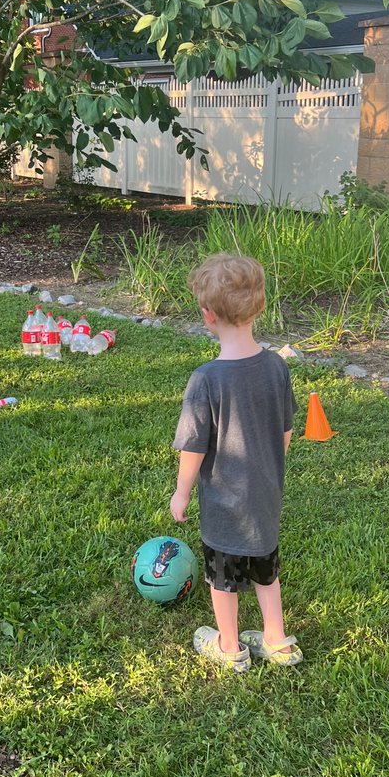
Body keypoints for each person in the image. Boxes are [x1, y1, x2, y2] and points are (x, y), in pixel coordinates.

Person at [171, 253, 300, 673]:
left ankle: (229, 646)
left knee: (221, 577)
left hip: (224, 506)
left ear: (208, 315)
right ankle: (277, 641)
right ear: (259, 307)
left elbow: (193, 447)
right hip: (265, 497)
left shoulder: (206, 379)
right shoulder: (276, 366)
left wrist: (182, 492)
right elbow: (285, 432)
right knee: (267, 569)